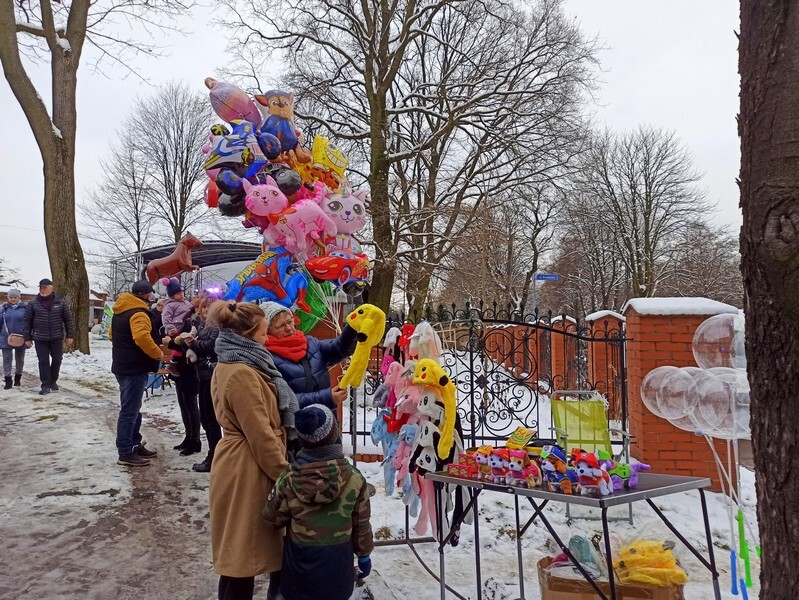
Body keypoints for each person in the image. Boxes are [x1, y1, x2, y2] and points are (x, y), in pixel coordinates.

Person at [208, 300, 299, 600]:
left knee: (241, 554)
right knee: (241, 558)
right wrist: (285, 475)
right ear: (247, 335)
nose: (266, 338)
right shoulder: (243, 373)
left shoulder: (238, 362)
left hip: (243, 464)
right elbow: (259, 434)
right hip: (248, 470)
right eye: (262, 332)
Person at [262, 403, 374, 600]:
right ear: (334, 436)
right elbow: (361, 524)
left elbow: (272, 518)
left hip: (299, 570)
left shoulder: (288, 478)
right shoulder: (354, 478)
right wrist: (364, 555)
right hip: (339, 571)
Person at [260, 302, 357, 410]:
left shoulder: (310, 343)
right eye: (281, 326)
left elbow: (339, 348)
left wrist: (353, 329)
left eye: (289, 321)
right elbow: (279, 400)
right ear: (268, 330)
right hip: (295, 423)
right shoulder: (266, 357)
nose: (288, 328)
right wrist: (327, 398)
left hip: (326, 419)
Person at [109, 280, 164, 467]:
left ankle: (134, 443)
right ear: (146, 295)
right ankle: (125, 451)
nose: (153, 296)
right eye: (151, 293)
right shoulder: (138, 313)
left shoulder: (121, 310)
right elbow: (141, 337)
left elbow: (111, 335)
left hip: (123, 365)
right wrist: (157, 353)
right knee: (129, 411)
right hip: (133, 367)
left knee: (133, 408)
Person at [186, 295, 222, 472]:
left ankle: (215, 456)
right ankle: (214, 454)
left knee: (210, 418)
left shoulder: (216, 325)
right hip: (202, 373)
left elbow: (212, 345)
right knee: (207, 419)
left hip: (211, 374)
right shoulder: (201, 324)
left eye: (210, 307)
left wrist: (194, 344)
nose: (206, 310)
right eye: (204, 307)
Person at [23, 278, 75, 395]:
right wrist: (27, 337)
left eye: (45, 287)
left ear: (52, 288)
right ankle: (45, 384)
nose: (43, 290)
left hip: (56, 337)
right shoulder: (33, 303)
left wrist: (70, 335)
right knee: (43, 361)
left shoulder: (60, 303)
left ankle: (53, 380)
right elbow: (27, 322)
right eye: (41, 287)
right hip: (40, 338)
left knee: (57, 360)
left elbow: (68, 320)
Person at [161, 278, 194, 378]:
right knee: (178, 342)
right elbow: (166, 318)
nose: (181, 295)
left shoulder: (186, 303)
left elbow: (191, 309)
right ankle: (173, 361)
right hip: (175, 328)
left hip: (184, 327)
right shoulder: (170, 305)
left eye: (182, 293)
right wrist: (171, 329)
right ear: (172, 295)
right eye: (178, 294)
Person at [1, 288, 28, 389]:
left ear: (19, 297)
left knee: (19, 359)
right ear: (8, 297)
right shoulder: (4, 308)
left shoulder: (25, 308)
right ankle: (8, 379)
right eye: (11, 297)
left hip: (21, 337)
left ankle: (18, 377)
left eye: (15, 297)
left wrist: (29, 336)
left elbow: (29, 323)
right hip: (5, 337)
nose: (13, 299)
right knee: (7, 359)